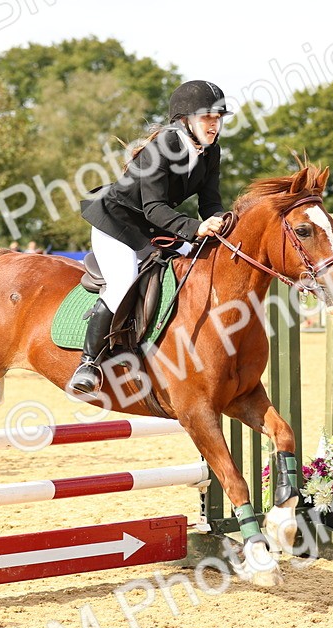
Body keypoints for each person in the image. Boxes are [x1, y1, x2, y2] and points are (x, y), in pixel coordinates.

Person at [72, 79, 230, 394]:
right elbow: (155, 208)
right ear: (185, 120)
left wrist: (223, 221)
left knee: (196, 260)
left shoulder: (211, 151)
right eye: (207, 118)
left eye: (219, 118)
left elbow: (210, 202)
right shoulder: (163, 147)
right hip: (115, 221)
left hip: (151, 224)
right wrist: (195, 228)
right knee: (124, 277)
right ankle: (88, 363)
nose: (214, 125)